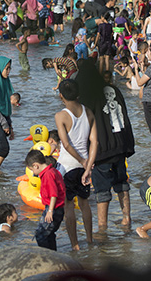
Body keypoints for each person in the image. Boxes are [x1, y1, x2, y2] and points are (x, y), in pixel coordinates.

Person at [78, 68, 135, 231]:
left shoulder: (88, 95)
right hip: (120, 144)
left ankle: (102, 227)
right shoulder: (115, 89)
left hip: (101, 149)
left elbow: (85, 125)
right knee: (122, 182)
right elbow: (124, 114)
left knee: (102, 190)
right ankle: (126, 218)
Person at [54, 79, 97, 250]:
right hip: (84, 167)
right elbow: (95, 142)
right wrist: (88, 164)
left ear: (61, 95)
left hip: (67, 166)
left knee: (68, 205)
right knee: (85, 203)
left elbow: (65, 144)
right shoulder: (89, 112)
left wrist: (81, 161)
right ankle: (90, 240)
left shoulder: (61, 116)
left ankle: (75, 245)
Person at [26, 149, 66, 250]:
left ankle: (46, 255)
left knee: (41, 234)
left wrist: (50, 211)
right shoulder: (52, 170)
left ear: (36, 165)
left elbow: (54, 194)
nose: (33, 173)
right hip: (57, 208)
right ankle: (53, 253)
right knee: (49, 234)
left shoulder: (48, 175)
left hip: (53, 209)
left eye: (32, 170)